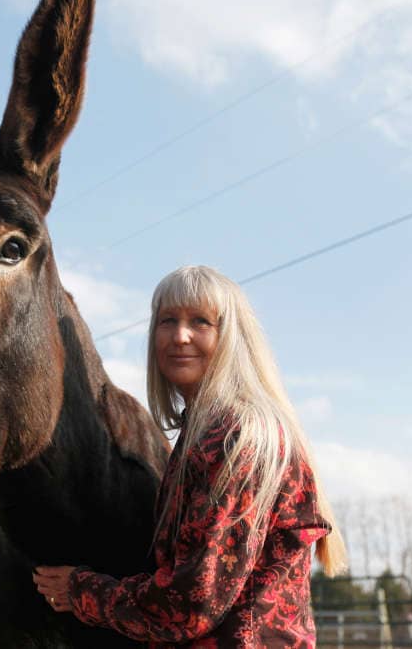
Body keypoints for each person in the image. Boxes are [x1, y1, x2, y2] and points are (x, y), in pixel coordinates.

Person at [34, 265, 347, 647]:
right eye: (168, 321)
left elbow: (191, 603)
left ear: (231, 336)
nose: (180, 336)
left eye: (200, 322)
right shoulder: (204, 433)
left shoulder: (238, 436)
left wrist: (80, 590)